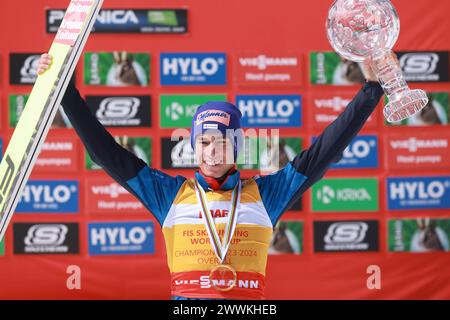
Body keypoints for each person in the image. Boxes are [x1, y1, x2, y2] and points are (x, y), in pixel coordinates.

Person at [37, 53, 383, 300]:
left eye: (223, 142)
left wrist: (370, 90)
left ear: (238, 146)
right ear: (192, 145)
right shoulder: (169, 195)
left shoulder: (267, 194)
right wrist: (65, 91)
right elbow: (104, 153)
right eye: (203, 142)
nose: (212, 151)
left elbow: (324, 151)